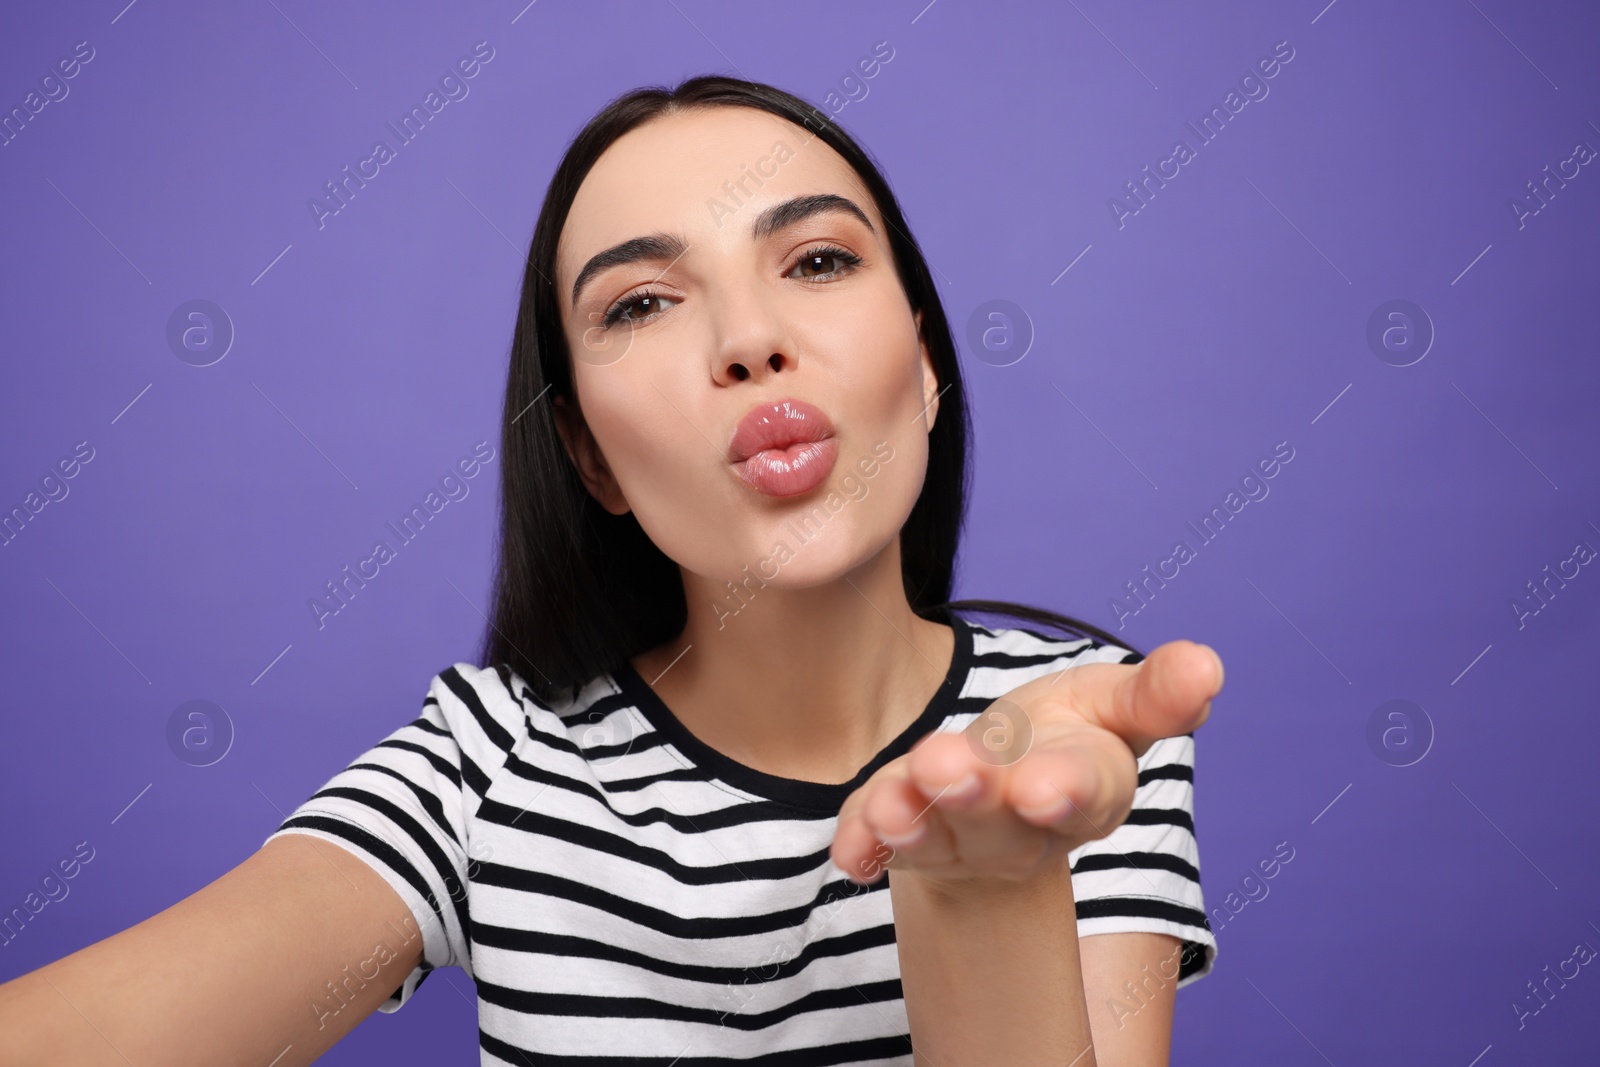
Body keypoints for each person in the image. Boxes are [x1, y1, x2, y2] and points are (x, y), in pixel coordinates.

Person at [0, 75, 1223, 1065]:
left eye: (816, 262)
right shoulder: (488, 764)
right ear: (589, 455)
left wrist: (990, 891)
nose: (750, 342)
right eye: (641, 302)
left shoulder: (1070, 735)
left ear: (925, 360)